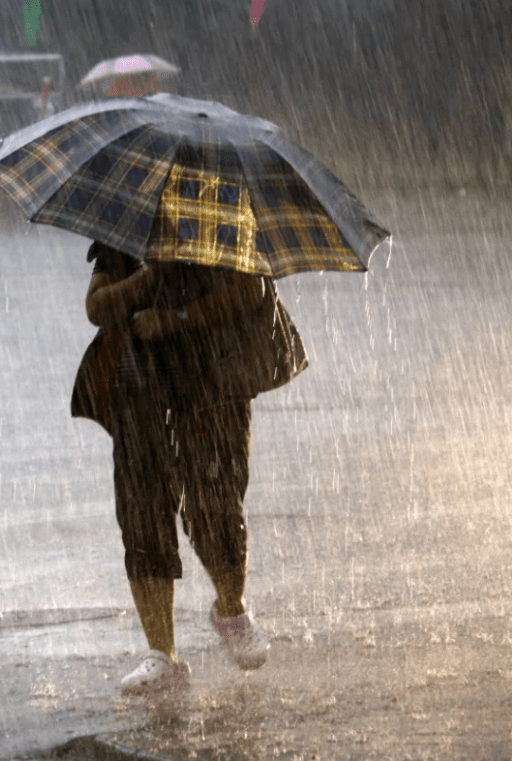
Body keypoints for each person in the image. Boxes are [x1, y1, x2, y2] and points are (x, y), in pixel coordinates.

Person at [72, 240, 306, 694]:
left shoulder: (224, 212)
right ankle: (162, 654)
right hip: (140, 381)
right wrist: (150, 277)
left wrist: (176, 319)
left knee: (215, 502)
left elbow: (254, 292)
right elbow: (97, 307)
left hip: (217, 373)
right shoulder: (128, 223)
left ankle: (231, 610)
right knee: (142, 507)